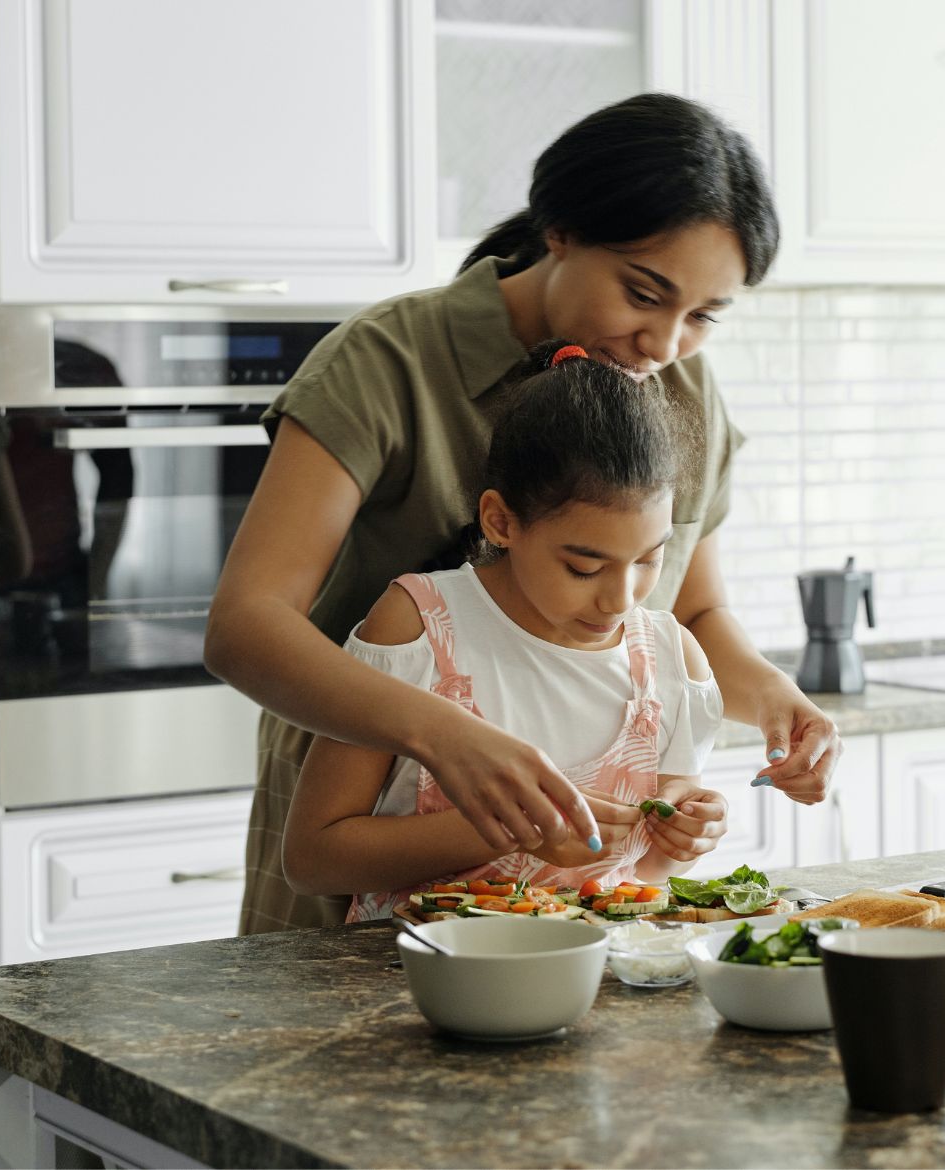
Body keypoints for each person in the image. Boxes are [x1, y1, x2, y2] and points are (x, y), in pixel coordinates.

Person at [205, 92, 843, 934]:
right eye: (644, 293)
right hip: (365, 831)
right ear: (562, 232)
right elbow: (246, 625)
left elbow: (690, 610)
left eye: (702, 317)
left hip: (572, 901)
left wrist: (772, 700)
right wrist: (446, 737)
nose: (665, 343)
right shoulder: (387, 361)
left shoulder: (679, 387)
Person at [281, 342, 728, 918]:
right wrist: (509, 829)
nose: (621, 598)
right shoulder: (418, 628)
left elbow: (648, 875)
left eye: (649, 559)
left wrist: (683, 839)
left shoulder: (671, 660)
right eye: (584, 567)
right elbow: (312, 859)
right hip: (413, 982)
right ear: (501, 521)